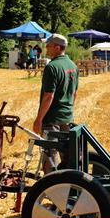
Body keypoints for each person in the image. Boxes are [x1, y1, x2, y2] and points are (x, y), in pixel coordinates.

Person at [32, 34, 78, 173]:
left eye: (49, 46)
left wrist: (39, 120)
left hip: (52, 119)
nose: (46, 48)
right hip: (67, 118)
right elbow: (74, 93)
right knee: (69, 156)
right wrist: (68, 111)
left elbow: (48, 96)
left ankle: (53, 188)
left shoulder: (52, 67)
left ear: (58, 47)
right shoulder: (73, 66)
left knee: (49, 155)